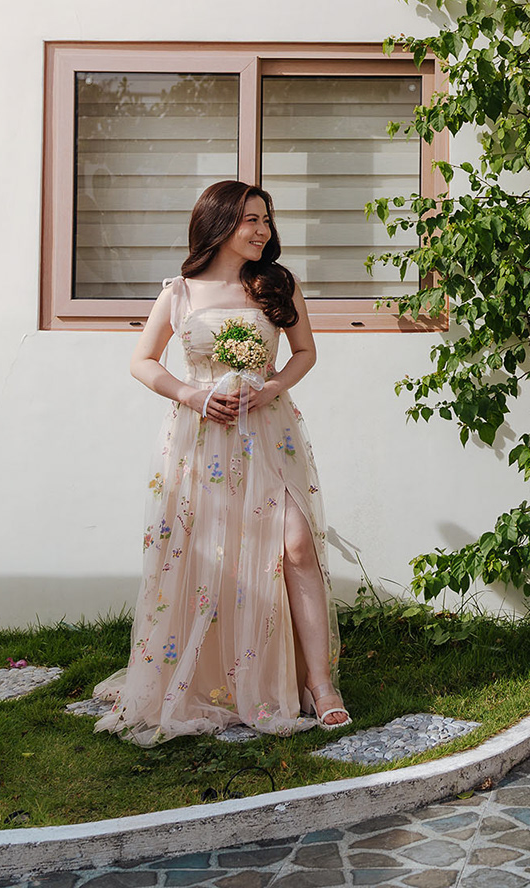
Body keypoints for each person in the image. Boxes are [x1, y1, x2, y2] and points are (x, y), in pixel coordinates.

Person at [93, 180, 349, 745]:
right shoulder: (180, 293)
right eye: (251, 219)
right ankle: (219, 680)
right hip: (202, 439)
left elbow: (305, 351)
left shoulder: (277, 284)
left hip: (269, 433)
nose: (263, 230)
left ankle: (321, 685)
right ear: (220, 222)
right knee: (210, 555)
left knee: (297, 545)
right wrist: (192, 394)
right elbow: (142, 361)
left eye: (266, 220)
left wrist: (272, 386)